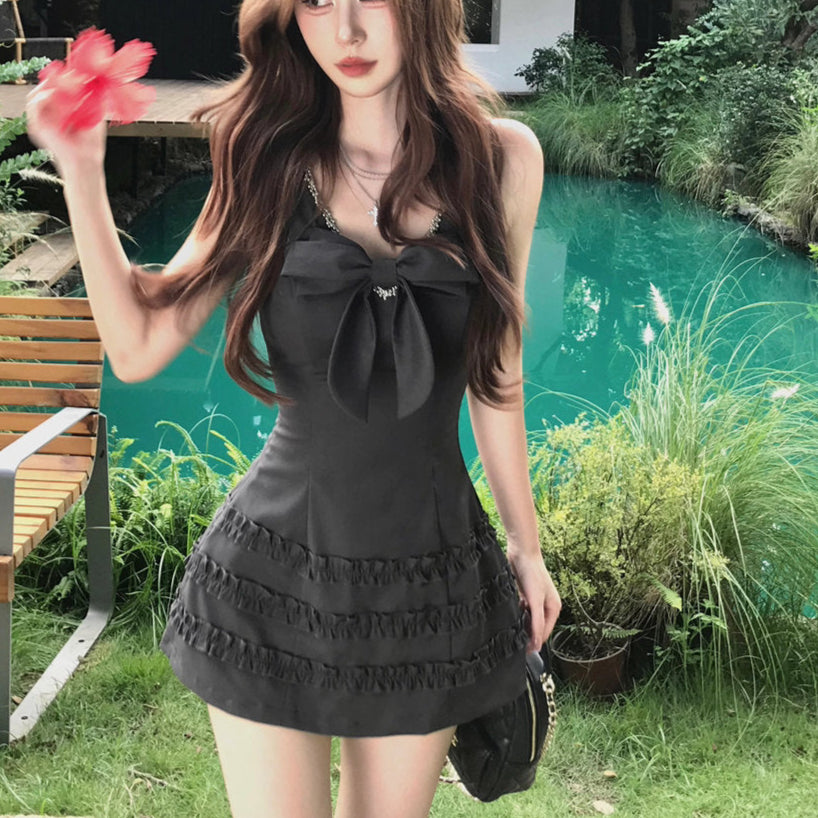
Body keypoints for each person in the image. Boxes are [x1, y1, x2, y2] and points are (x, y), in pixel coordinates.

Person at [25, 0, 561, 816]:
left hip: (426, 584)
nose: (345, 31)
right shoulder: (267, 161)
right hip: (270, 583)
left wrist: (526, 546)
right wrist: (83, 171)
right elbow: (137, 348)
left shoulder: (502, 162)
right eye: (314, 1)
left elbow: (497, 376)